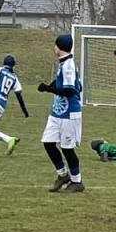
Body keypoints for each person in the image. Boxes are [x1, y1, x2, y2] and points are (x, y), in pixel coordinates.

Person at [39, 33, 85, 193]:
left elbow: (70, 90)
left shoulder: (68, 65)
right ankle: (63, 175)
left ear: (59, 47)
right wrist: (50, 86)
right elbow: (76, 85)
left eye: (55, 45)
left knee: (67, 148)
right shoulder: (64, 63)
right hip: (57, 113)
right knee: (48, 142)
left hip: (69, 114)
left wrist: (49, 89)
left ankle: (77, 181)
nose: (54, 48)